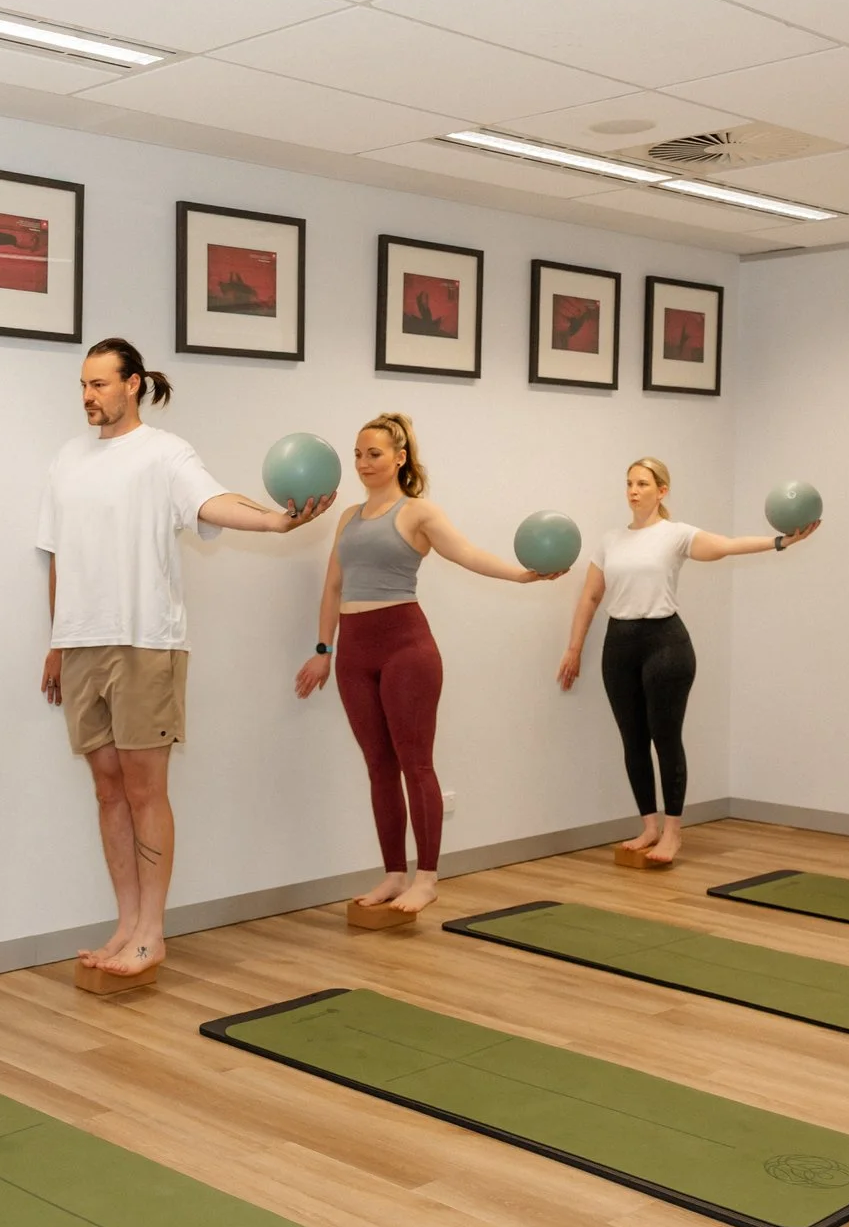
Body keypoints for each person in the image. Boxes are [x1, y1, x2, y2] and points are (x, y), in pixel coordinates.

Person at [38, 339, 331, 978]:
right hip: (83, 643)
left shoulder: (166, 454)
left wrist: (277, 523)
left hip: (147, 642)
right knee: (107, 791)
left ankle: (152, 931)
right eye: (82, 385)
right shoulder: (66, 459)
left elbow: (212, 503)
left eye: (100, 384)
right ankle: (125, 923)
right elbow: (57, 553)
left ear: (134, 384)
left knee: (146, 791)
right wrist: (57, 643)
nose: (88, 396)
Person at [294, 413, 561, 915]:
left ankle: (428, 877)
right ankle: (394, 873)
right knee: (379, 767)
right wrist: (322, 650)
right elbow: (333, 586)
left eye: (374, 454)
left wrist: (523, 576)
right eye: (357, 454)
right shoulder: (347, 517)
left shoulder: (418, 513)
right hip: (354, 652)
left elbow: (468, 554)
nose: (363, 463)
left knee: (415, 763)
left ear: (399, 458)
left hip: (406, 649)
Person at [557, 456, 817, 867]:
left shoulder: (675, 535)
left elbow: (726, 546)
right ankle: (649, 826)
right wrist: (574, 648)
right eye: (629, 483)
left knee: (665, 738)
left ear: (662, 491)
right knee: (633, 740)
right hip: (619, 645)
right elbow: (590, 597)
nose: (633, 490)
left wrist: (780, 542)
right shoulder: (610, 540)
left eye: (642, 483)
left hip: (665, 645)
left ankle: (673, 832)